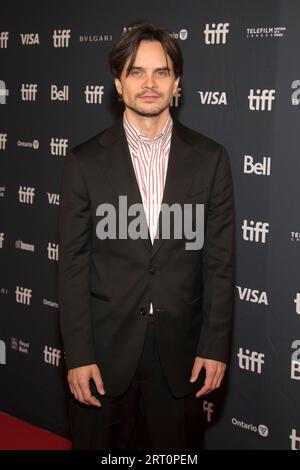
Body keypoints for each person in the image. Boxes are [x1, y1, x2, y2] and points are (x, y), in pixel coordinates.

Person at [58, 22, 235, 451]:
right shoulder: (83, 162)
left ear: (177, 82)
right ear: (119, 83)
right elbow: (74, 264)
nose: (150, 83)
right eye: (137, 72)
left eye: (162, 71)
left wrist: (215, 345)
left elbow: (219, 262)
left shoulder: (211, 159)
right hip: (104, 350)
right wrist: (78, 354)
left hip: (181, 353)